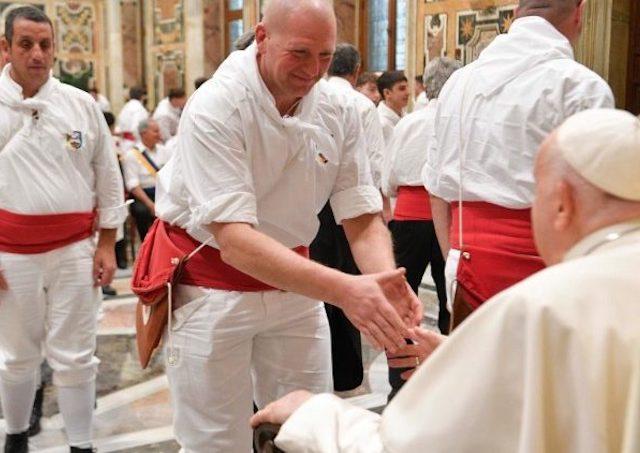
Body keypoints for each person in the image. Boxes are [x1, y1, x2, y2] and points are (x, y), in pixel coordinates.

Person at [251, 108, 640, 452]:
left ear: (562, 202)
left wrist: (313, 416)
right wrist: (466, 357)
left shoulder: (543, 306)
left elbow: (415, 446)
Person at [142, 0, 421, 451]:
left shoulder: (339, 108)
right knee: (215, 441)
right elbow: (235, 241)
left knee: (306, 428)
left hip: (295, 287)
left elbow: (361, 215)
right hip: (211, 288)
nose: (313, 70)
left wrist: (383, 279)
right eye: (300, 53)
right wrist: (347, 291)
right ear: (263, 37)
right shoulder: (218, 104)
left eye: (325, 56)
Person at [423, 0, 614, 328]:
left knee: (479, 360)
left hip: (466, 267)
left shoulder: (458, 83)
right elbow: (596, 204)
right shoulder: (580, 86)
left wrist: (455, 256)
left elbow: (436, 189)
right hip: (549, 272)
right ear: (580, 13)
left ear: (515, 13)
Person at [0, 7, 126, 452]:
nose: (37, 54)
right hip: (10, 253)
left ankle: (81, 444)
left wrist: (107, 244)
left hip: (74, 249)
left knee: (76, 355)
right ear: (5, 48)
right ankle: (15, 436)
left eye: (45, 44)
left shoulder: (80, 104)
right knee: (17, 355)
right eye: (26, 44)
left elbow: (108, 176)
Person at [383, 57, 460, 400]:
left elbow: (389, 177)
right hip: (450, 218)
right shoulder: (458, 122)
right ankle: (449, 377)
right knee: (450, 298)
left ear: (426, 86)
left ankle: (399, 380)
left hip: (408, 218)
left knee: (401, 300)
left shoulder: (408, 123)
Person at [313, 43, 386, 391]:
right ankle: (344, 370)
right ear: (356, 71)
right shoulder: (360, 104)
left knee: (321, 283)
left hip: (315, 208)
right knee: (346, 282)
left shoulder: (323, 99)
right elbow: (373, 165)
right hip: (350, 207)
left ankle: (323, 366)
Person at [122, 119, 168, 242]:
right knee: (142, 212)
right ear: (143, 133)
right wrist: (150, 205)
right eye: (155, 131)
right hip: (143, 195)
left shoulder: (164, 150)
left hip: (162, 192)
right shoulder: (132, 155)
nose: (159, 134)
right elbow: (133, 185)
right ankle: (146, 243)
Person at [376, 71, 409, 145]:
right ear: (387, 93)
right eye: (402, 89)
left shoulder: (407, 116)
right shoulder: (380, 122)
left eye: (407, 87)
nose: (407, 93)